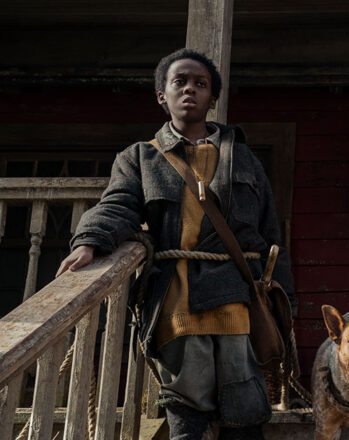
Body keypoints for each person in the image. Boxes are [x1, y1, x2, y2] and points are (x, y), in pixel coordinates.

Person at [57, 48, 295, 440]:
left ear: (213, 99)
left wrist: (286, 300)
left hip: (238, 295)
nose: (190, 89)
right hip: (177, 295)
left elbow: (271, 236)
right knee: (187, 400)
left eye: (200, 84)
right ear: (161, 96)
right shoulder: (141, 157)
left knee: (245, 401)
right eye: (179, 82)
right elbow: (117, 204)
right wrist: (90, 241)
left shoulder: (246, 160)